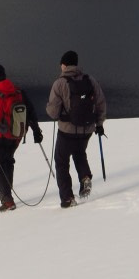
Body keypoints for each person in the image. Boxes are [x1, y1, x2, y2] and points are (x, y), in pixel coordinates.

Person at [46, 50, 107, 208]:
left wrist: (50, 109)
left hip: (66, 130)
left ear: (64, 65)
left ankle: (67, 198)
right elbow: (100, 103)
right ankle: (85, 176)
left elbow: (53, 112)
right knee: (80, 153)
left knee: (61, 162)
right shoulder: (90, 80)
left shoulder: (59, 83)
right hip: (86, 129)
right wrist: (99, 124)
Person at [0, 64, 44, 212]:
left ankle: (7, 199)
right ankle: (6, 194)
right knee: (8, 163)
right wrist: (36, 131)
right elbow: (31, 111)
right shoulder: (18, 91)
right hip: (16, 135)